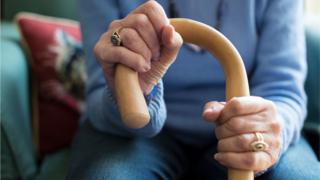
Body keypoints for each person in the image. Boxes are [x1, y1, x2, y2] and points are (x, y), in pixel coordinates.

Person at [67, 0, 319, 179]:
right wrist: (130, 92)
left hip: (240, 128)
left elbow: (283, 87)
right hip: (136, 138)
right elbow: (100, 91)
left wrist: (263, 131)